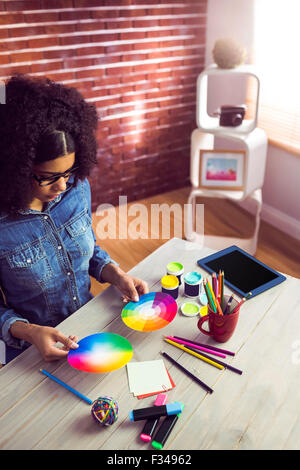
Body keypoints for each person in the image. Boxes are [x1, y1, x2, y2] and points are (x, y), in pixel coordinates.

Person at [0, 74, 148, 364]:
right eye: (48, 178)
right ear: (13, 169)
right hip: (31, 354)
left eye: (68, 172)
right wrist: (30, 332)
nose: (62, 186)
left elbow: (86, 249)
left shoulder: (76, 188)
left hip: (89, 331)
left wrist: (115, 273)